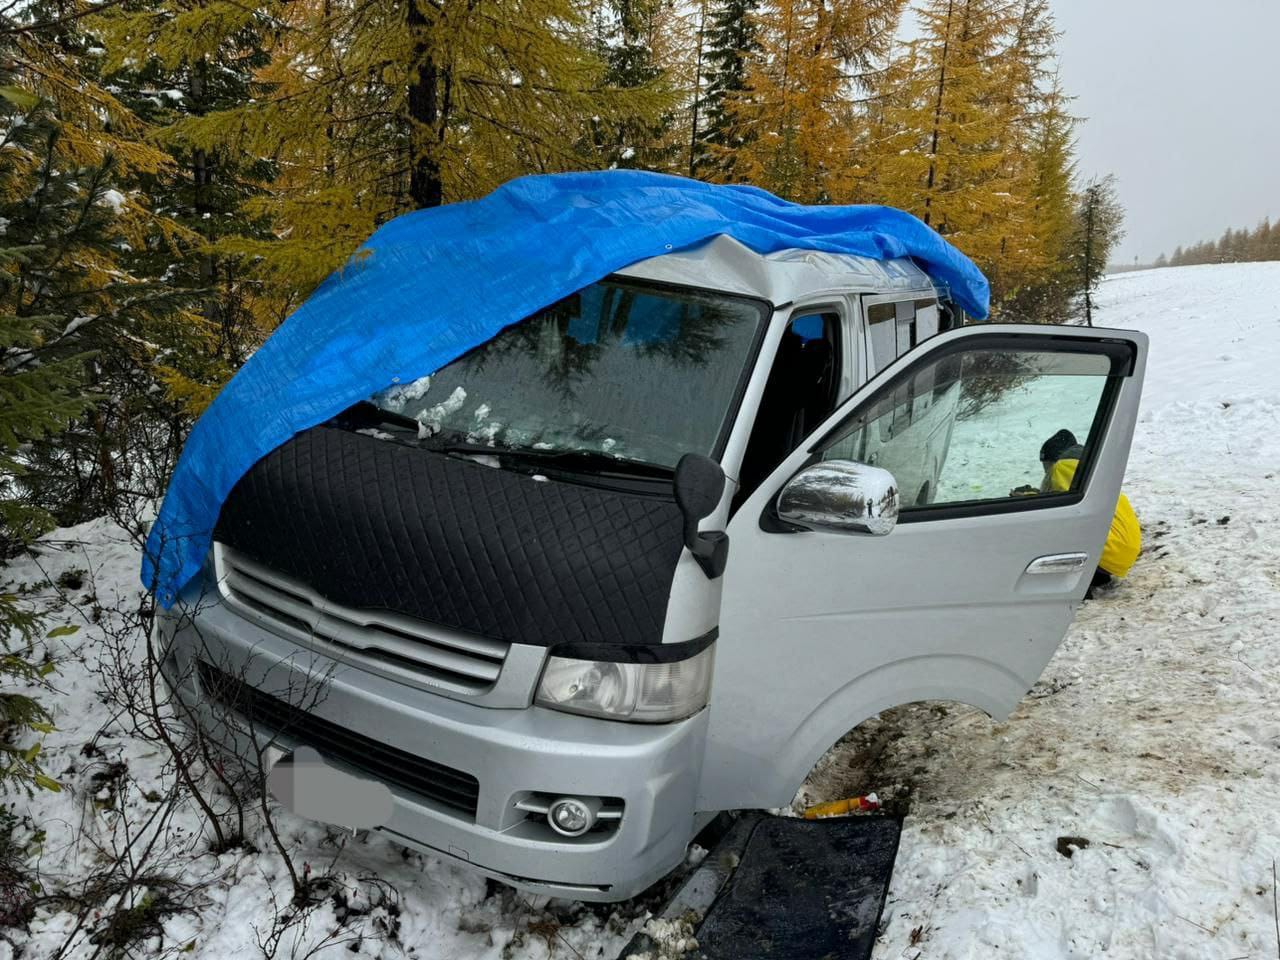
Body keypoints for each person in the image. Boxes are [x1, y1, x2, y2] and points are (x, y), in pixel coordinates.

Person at [1037, 429, 1141, 596]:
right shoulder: (1091, 467)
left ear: (1054, 458)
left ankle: (1077, 584)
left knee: (1039, 529)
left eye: (1047, 465)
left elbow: (1054, 509)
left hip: (1107, 553)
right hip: (1124, 549)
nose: (1046, 471)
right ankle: (1097, 575)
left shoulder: (1062, 467)